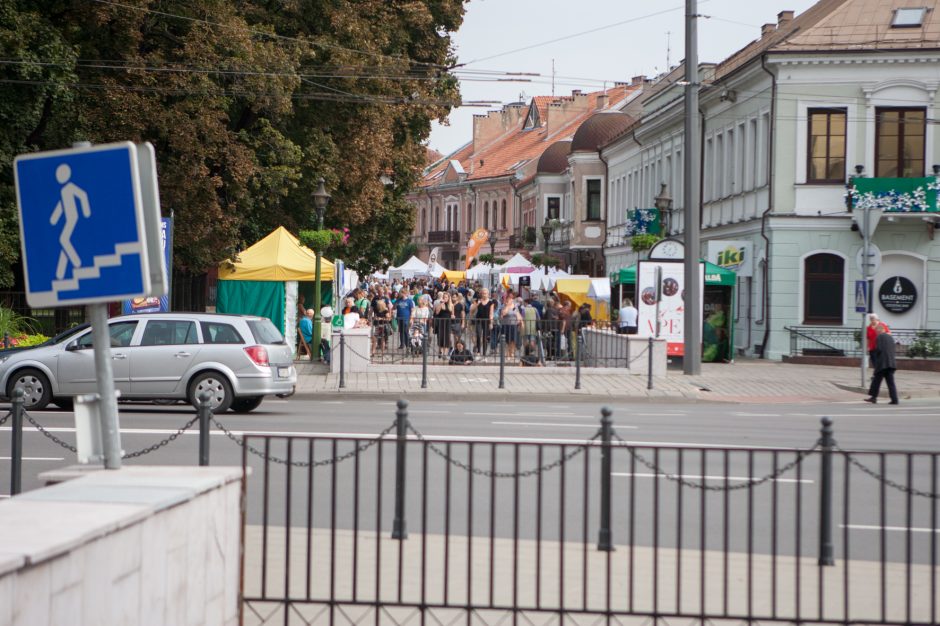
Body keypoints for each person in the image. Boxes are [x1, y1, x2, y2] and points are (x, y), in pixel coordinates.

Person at [866, 325, 899, 404]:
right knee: (891, 383)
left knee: (876, 381)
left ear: (879, 330)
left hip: (882, 363)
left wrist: (876, 357)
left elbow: (879, 349)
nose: (876, 333)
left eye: (876, 331)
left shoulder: (879, 337)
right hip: (891, 363)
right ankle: (894, 399)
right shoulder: (891, 338)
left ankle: (873, 397)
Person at [470, 288, 496, 357]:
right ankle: (478, 352)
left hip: (486, 321)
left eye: (485, 293)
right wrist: (477, 304)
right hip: (479, 320)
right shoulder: (477, 301)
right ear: (481, 294)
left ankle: (484, 353)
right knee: (478, 335)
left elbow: (491, 313)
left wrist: (491, 323)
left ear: (488, 294)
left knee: (485, 337)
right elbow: (472, 311)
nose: (484, 295)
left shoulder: (491, 303)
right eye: (483, 293)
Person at [433, 291, 455, 357]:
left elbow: (453, 314)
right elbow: (437, 312)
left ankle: (445, 353)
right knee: (440, 337)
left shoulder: (451, 305)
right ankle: (441, 351)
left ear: (449, 298)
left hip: (448, 323)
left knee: (447, 337)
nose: (445, 298)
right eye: (444, 297)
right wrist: (441, 303)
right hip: (441, 322)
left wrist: (453, 316)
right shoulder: (440, 304)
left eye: (446, 297)